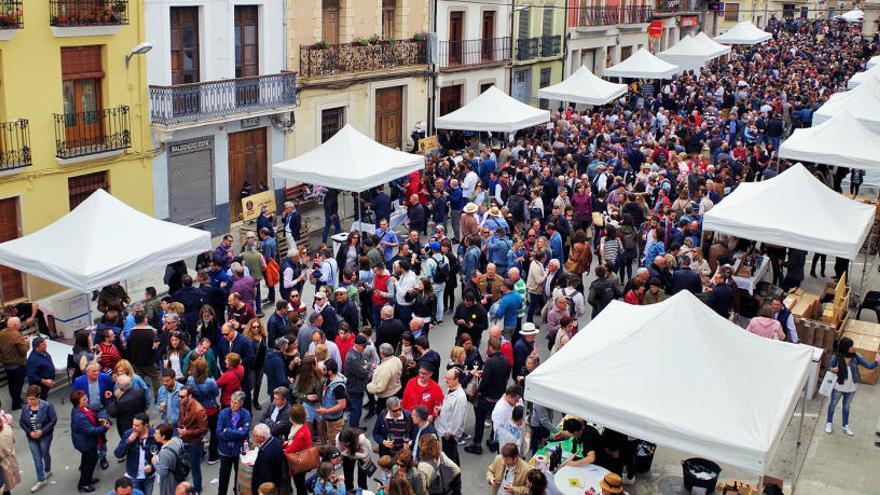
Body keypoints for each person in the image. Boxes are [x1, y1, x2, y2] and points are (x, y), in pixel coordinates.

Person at [826, 336, 880, 436]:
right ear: (845, 347)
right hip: (838, 386)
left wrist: (877, 361)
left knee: (846, 407)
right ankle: (829, 423)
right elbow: (829, 367)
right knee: (833, 405)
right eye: (850, 346)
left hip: (852, 387)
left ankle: (845, 425)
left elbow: (869, 366)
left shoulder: (856, 356)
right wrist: (833, 369)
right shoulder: (836, 357)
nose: (852, 348)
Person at [465, 336, 509, 455]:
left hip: (486, 398)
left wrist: (478, 391)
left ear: (490, 347)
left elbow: (485, 381)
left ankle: (477, 444)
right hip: (498, 398)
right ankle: (493, 441)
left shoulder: (490, 362)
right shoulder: (505, 360)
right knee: (496, 421)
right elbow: (505, 378)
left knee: (480, 421)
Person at [70, 389, 111, 492]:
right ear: (78, 402)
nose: (86, 400)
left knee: (86, 461)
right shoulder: (80, 416)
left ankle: (87, 478)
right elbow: (90, 431)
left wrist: (98, 420)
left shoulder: (82, 409)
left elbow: (92, 418)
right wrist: (104, 427)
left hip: (84, 442)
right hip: (86, 443)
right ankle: (83, 484)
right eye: (84, 399)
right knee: (91, 461)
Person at [20, 385, 56, 492]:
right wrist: (29, 432)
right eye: (28, 399)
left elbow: (53, 420)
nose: (30, 401)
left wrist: (42, 431)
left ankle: (48, 468)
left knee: (45, 453)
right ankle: (41, 479)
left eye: (32, 399)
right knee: (37, 458)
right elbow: (21, 422)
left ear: (38, 397)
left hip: (45, 436)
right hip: (32, 437)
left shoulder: (47, 406)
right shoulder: (25, 407)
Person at [113, 413, 158, 495]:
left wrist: (152, 465)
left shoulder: (155, 434)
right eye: (133, 424)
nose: (134, 427)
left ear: (145, 425)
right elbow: (118, 454)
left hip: (149, 476)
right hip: (133, 476)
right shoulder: (128, 434)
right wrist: (129, 441)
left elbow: (160, 453)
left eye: (137, 425)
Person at [217, 390, 251, 495]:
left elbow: (244, 433)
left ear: (241, 403)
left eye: (235, 402)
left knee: (238, 478)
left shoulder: (246, 414)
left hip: (238, 451)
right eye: (231, 401)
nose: (232, 404)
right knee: (223, 477)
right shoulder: (223, 413)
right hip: (225, 451)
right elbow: (218, 432)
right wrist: (236, 434)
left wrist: (227, 430)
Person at [176, 386, 208, 494]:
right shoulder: (182, 403)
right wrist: (179, 427)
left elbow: (203, 429)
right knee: (182, 463)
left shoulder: (198, 410)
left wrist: (187, 432)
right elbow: (180, 417)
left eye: (182, 397)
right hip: (183, 439)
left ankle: (197, 490)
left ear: (190, 396)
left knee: (195, 468)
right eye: (178, 396)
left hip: (194, 443)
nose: (179, 399)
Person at [435, 368, 466, 471]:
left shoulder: (460, 398)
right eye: (445, 378)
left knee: (450, 457)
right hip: (445, 430)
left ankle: (451, 478)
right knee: (449, 455)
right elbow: (449, 408)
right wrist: (441, 409)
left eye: (449, 378)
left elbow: (458, 418)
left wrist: (450, 433)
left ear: (456, 380)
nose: (445, 380)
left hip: (449, 434)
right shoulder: (450, 389)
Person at [0, 317, 29, 410]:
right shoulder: (15, 334)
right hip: (17, 364)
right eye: (19, 323)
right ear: (15, 325)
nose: (20, 324)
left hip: (7, 364)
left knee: (12, 384)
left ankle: (15, 400)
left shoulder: (2, 332)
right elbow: (23, 350)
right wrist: (26, 342)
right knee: (18, 385)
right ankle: (16, 404)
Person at [107, 374, 148, 439]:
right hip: (141, 423)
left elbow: (112, 413)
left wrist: (110, 400)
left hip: (127, 428)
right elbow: (144, 405)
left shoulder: (122, 401)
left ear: (120, 387)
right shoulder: (140, 392)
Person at [317, 359, 347, 444]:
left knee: (337, 442)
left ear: (330, 371)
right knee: (331, 438)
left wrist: (326, 411)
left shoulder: (338, 386)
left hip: (335, 420)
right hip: (329, 418)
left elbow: (342, 405)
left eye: (324, 369)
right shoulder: (329, 379)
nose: (323, 371)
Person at [284, 404, 313, 494]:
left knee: (299, 484)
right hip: (303, 459)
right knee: (300, 483)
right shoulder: (301, 427)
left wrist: (283, 448)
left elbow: (291, 449)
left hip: (300, 463)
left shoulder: (300, 433)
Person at [251, 423, 285, 495]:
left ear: (262, 438)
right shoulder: (276, 441)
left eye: (255, 436)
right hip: (278, 481)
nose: (253, 438)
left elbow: (265, 476)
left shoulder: (265, 453)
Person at [151, 423, 185, 495]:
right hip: (178, 476)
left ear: (163, 436)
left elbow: (163, 472)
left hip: (169, 481)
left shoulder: (164, 452)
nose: (154, 435)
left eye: (156, 434)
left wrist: (155, 463)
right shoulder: (176, 441)